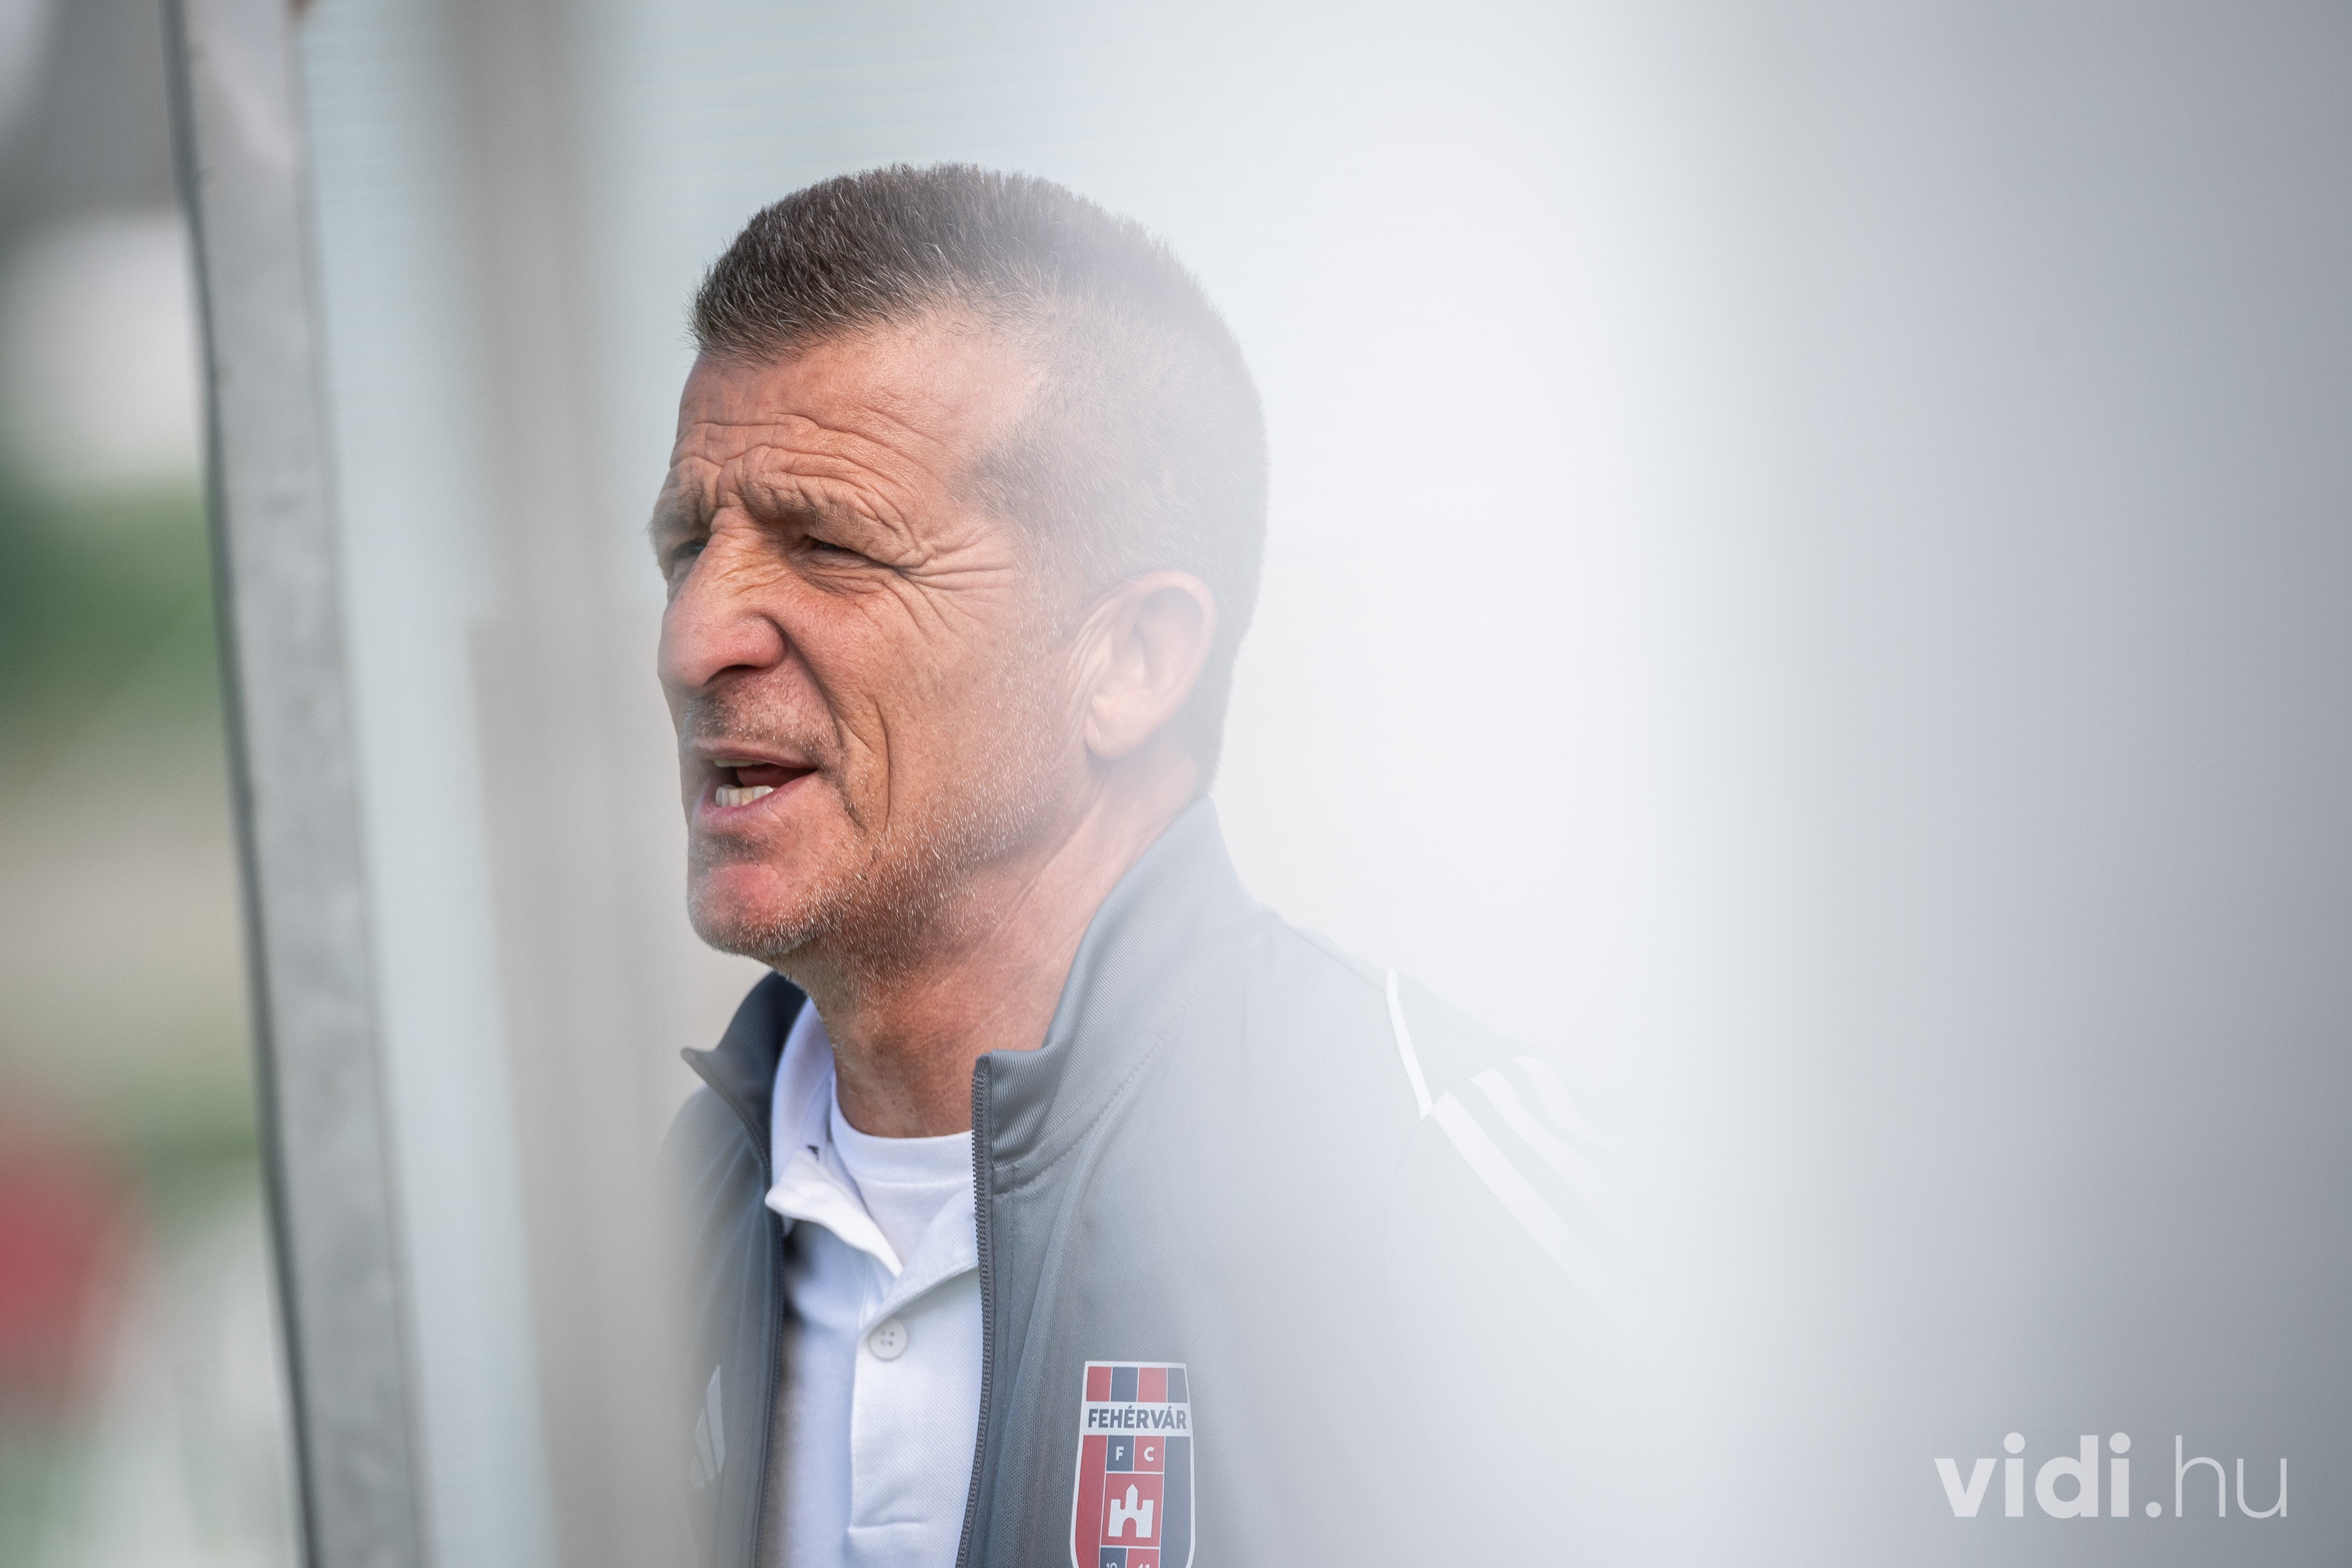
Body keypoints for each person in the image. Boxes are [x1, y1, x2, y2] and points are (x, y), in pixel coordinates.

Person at [656, 165, 1639, 1568]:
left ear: (1129, 660)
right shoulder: (664, 1223)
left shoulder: (1432, 1178)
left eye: (829, 545)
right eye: (688, 546)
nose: (695, 641)